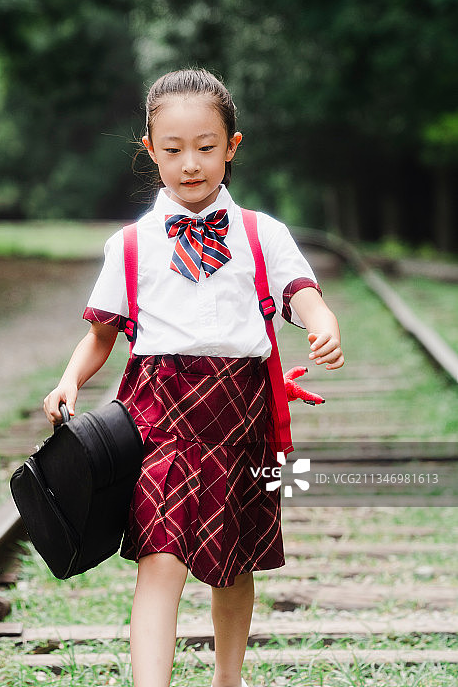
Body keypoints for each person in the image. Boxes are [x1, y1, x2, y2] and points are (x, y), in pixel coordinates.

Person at [43, 68, 344, 687]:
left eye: (206, 147)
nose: (190, 164)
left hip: (242, 418)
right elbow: (102, 332)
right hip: (160, 418)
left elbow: (299, 291)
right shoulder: (131, 246)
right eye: (173, 150)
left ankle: (226, 680)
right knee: (161, 561)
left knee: (234, 565)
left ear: (233, 146)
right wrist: (71, 378)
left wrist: (322, 319)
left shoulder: (263, 234)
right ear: (149, 150)